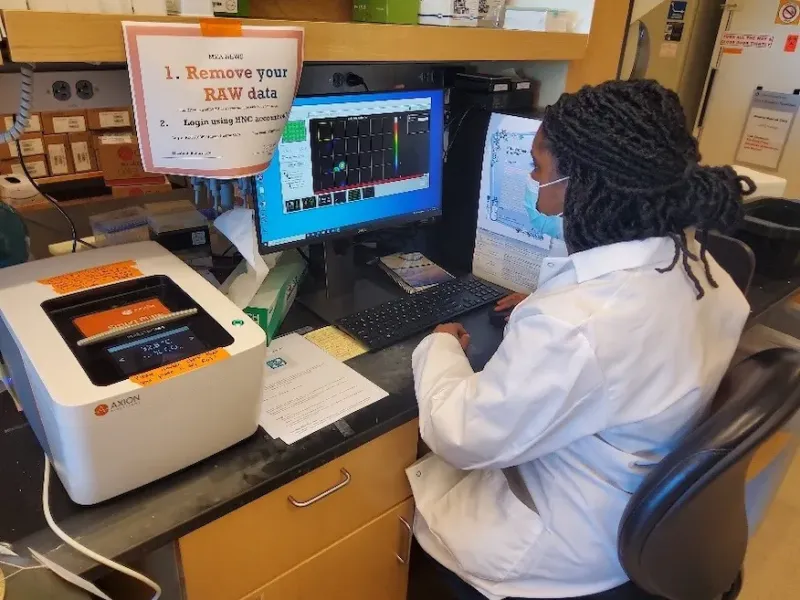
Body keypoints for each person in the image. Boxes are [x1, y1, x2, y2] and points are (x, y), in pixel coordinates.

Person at [408, 79, 755, 600]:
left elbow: (462, 436)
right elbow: (621, 332)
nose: (532, 176)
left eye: (540, 168)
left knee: (394, 506)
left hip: (565, 549)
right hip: (637, 505)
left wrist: (438, 345)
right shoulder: (700, 266)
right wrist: (556, 304)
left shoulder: (578, 325)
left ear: (581, 183)